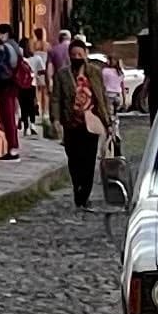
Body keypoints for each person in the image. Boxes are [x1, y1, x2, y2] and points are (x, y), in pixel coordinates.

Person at [63, 42, 119, 211]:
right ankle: (77, 187)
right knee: (73, 160)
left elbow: (101, 97)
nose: (77, 58)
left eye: (80, 55)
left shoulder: (94, 72)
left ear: (85, 55)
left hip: (91, 123)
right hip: (71, 124)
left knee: (88, 161)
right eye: (74, 55)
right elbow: (57, 98)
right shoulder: (63, 75)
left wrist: (107, 121)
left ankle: (84, 195)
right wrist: (56, 119)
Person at [0, 23, 28, 159]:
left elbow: (5, 66)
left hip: (5, 85)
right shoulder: (15, 46)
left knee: (7, 116)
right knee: (10, 115)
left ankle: (13, 148)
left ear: (3, 34)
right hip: (12, 85)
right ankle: (13, 146)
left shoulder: (4, 48)